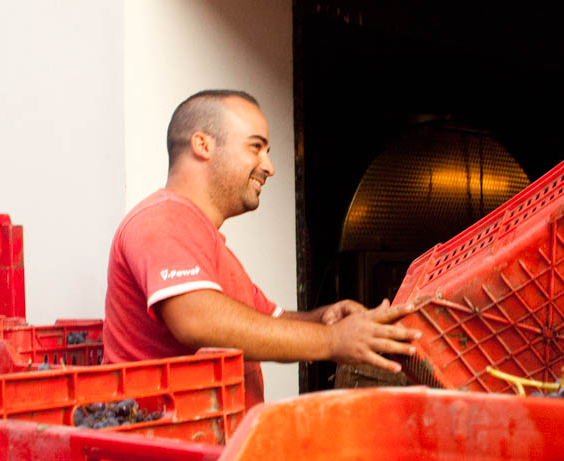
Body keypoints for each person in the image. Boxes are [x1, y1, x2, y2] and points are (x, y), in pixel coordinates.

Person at [104, 89, 421, 406]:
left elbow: (267, 321)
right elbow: (196, 320)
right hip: (169, 450)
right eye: (255, 147)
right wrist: (332, 341)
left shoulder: (205, 240)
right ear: (203, 145)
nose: (268, 166)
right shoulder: (162, 218)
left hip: (218, 446)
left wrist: (324, 319)